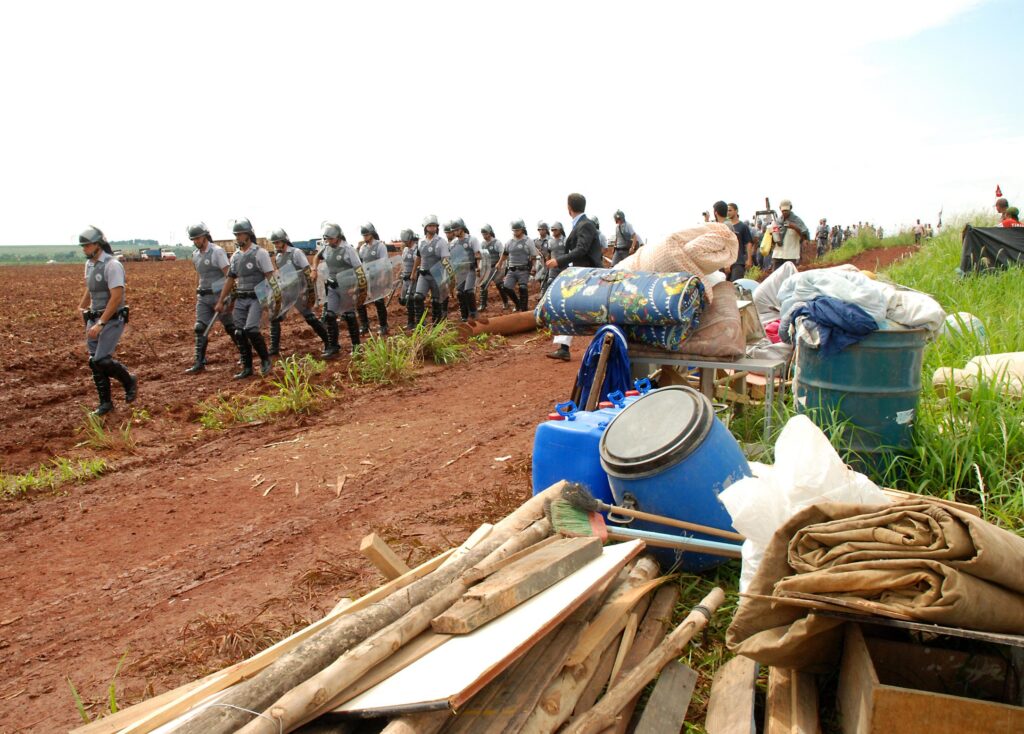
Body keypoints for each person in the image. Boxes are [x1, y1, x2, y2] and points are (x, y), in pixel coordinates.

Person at [78, 226, 137, 416]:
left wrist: (101, 323)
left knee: (102, 359)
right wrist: (82, 306)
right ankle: (105, 403)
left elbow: (116, 297)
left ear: (98, 244)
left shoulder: (113, 265)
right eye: (83, 246)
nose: (84, 249)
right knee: (94, 362)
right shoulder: (90, 265)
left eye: (86, 246)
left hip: (111, 319)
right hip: (93, 317)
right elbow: (90, 288)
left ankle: (129, 380)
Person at [545, 193, 603, 361]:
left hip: (588, 274)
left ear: (569, 208)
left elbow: (581, 250)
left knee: (573, 306)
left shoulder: (585, 225)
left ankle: (567, 348)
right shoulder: (582, 224)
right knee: (569, 306)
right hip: (581, 274)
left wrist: (558, 261)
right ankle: (564, 348)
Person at [215, 218, 276, 378]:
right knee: (239, 332)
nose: (237, 238)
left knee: (251, 329)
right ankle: (247, 367)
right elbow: (230, 279)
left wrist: (275, 297)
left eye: (240, 234)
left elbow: (270, 276)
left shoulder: (260, 253)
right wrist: (221, 300)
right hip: (241, 298)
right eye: (236, 235)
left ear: (248, 234)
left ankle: (265, 360)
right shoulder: (235, 256)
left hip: (256, 297)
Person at [184, 222, 237, 374]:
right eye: (193, 239)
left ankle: (244, 354)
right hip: (203, 296)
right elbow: (199, 275)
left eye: (198, 238)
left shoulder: (217, 252)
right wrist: (197, 290)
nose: (196, 242)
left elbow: (229, 275)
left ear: (205, 236)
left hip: (219, 294)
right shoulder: (195, 255)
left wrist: (227, 298)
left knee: (231, 327)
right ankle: (199, 362)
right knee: (200, 328)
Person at [269, 228, 331, 356]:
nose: (276, 246)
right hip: (287, 293)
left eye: (278, 243)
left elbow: (307, 271)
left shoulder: (296, 253)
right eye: (274, 243)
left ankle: (328, 342)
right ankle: (274, 348)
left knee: (309, 318)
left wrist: (309, 292)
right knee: (275, 317)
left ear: (284, 241)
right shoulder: (279, 257)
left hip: (300, 292)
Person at [312, 222, 363, 356]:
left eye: (330, 238)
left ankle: (357, 347)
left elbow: (359, 269)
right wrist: (314, 269)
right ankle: (333, 346)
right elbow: (317, 257)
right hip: (333, 286)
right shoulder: (327, 248)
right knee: (330, 315)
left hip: (347, 287)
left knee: (350, 316)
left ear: (338, 237)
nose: (328, 241)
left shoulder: (348, 250)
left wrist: (356, 287)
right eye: (326, 239)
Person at [412, 214, 455, 325]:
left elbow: (445, 260)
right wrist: (413, 273)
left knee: (436, 301)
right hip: (423, 275)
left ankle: (436, 324)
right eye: (430, 226)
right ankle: (420, 324)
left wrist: (450, 277)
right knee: (417, 297)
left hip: (437, 275)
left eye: (434, 226)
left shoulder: (441, 242)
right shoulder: (421, 242)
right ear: (425, 227)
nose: (432, 228)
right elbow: (418, 257)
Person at [356, 222, 390, 336]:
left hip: (377, 278)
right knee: (360, 302)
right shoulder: (363, 248)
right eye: (363, 235)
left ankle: (384, 325)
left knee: (379, 302)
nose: (365, 237)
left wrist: (382, 277)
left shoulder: (380, 246)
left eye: (367, 235)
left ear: (372, 234)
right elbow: (361, 262)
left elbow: (384, 263)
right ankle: (365, 325)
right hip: (366, 278)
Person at [496, 219, 537, 312]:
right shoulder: (509, 242)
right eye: (514, 230)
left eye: (517, 230)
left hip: (523, 269)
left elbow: (533, 256)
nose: (515, 232)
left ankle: (524, 309)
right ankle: (518, 304)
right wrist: (499, 263)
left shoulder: (528, 241)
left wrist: (534, 267)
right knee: (505, 287)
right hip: (512, 269)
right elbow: (505, 254)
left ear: (522, 229)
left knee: (522, 288)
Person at [450, 218, 481, 321]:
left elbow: (477, 255)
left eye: (457, 230)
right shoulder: (453, 243)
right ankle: (464, 315)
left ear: (462, 228)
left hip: (470, 269)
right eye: (453, 230)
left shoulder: (472, 240)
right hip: (460, 271)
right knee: (460, 292)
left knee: (468, 291)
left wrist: (479, 267)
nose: (455, 232)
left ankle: (473, 313)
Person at [770, 199, 809, 271]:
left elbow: (804, 234)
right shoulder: (778, 221)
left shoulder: (797, 220)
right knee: (776, 276)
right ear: (780, 209)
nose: (784, 212)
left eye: (786, 210)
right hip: (778, 254)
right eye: (783, 210)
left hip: (791, 254)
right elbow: (774, 237)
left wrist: (794, 227)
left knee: (789, 277)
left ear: (790, 208)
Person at [478, 224, 508, 311]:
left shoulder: (497, 243)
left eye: (486, 234)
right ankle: (483, 305)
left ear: (490, 233)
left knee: (499, 285)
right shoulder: (482, 244)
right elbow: (482, 258)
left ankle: (505, 303)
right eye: (483, 234)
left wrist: (502, 268)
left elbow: (503, 255)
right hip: (487, 268)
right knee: (483, 285)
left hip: (497, 267)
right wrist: (480, 268)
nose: (484, 236)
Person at [397, 228, 419, 329]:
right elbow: (404, 263)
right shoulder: (405, 249)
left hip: (413, 278)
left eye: (406, 241)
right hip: (405, 278)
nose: (404, 243)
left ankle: (415, 322)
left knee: (411, 299)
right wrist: (400, 273)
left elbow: (417, 262)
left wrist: (413, 273)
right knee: (403, 300)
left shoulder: (416, 249)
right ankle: (410, 322)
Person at [727, 203, 753, 280]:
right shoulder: (725, 227)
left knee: (736, 285)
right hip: (726, 262)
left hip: (738, 262)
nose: (728, 212)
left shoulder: (743, 226)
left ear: (736, 211)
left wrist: (749, 259)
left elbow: (748, 243)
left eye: (730, 210)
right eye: (727, 211)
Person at [542, 221, 567, 295]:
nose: (553, 231)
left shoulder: (565, 240)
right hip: (553, 269)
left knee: (563, 286)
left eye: (555, 229)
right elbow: (548, 255)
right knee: (550, 283)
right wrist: (547, 265)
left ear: (560, 230)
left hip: (563, 267)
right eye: (552, 230)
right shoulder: (550, 241)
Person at [533, 221, 552, 293]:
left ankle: (543, 294)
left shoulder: (550, 240)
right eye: (539, 229)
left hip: (548, 262)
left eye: (542, 229)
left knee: (546, 279)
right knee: (539, 279)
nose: (541, 231)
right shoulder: (535, 241)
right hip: (538, 263)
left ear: (546, 230)